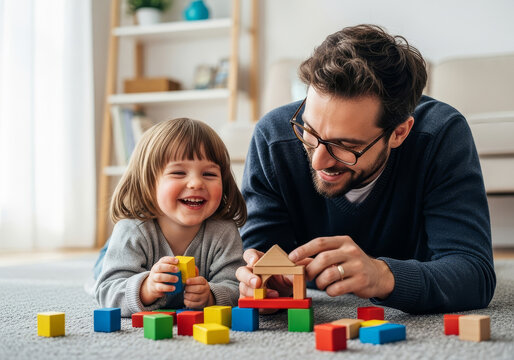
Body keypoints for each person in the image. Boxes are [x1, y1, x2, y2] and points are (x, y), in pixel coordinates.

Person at [236, 24, 496, 314]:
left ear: (399, 133)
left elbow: (474, 274)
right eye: (309, 131)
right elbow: (258, 256)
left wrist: (383, 275)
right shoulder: (273, 137)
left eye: (344, 145)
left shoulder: (441, 135)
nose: (317, 161)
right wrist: (262, 285)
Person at [92, 118, 247, 317]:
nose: (196, 183)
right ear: (148, 182)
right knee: (100, 271)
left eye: (209, 174)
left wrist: (211, 297)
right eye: (178, 172)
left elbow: (236, 286)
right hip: (126, 247)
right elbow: (107, 292)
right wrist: (145, 288)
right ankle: (107, 250)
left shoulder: (224, 231)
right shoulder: (132, 230)